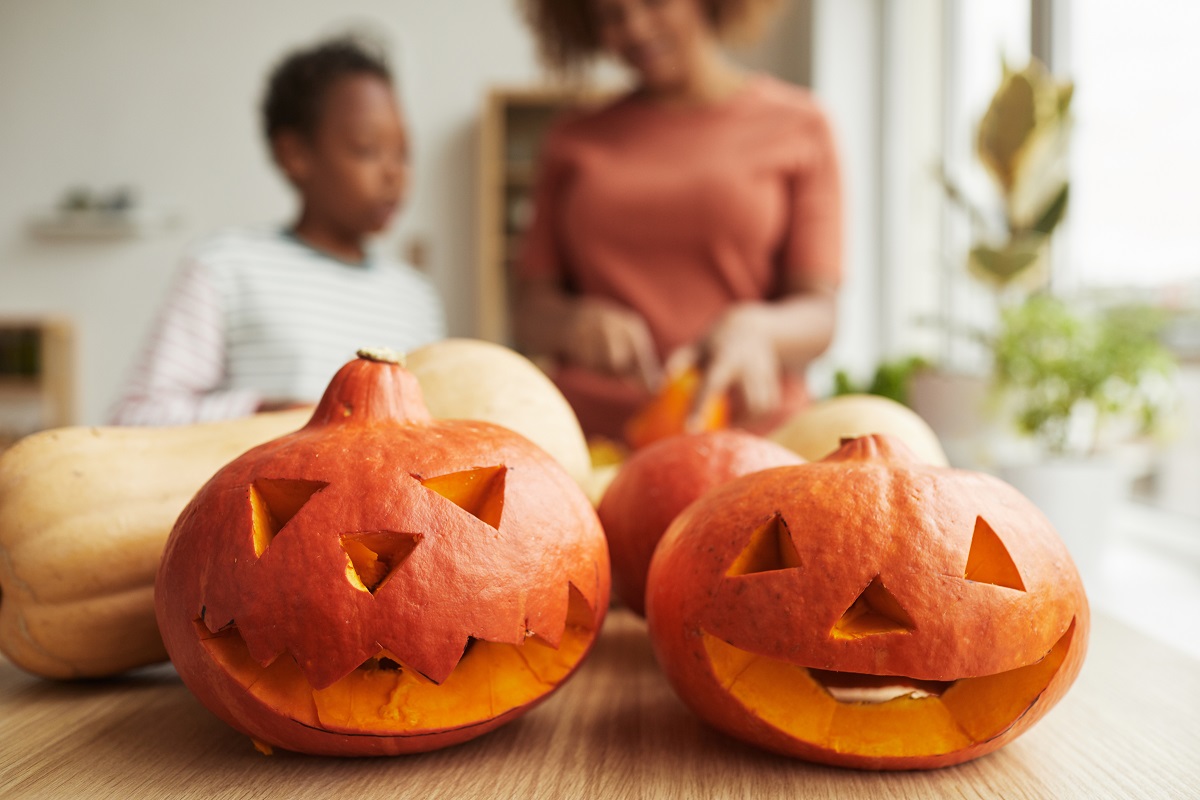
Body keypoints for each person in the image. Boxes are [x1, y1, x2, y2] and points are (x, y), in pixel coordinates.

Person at [515, 0, 842, 441]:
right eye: (610, 15)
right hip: (591, 438)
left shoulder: (801, 125)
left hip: (752, 436)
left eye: (654, 2)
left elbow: (819, 311)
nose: (634, 28)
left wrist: (757, 329)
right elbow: (530, 310)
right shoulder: (572, 138)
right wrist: (573, 325)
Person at [111, 35, 445, 426]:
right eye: (367, 149)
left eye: (403, 153)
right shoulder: (225, 267)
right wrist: (263, 415)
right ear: (295, 154)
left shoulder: (417, 300)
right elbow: (133, 417)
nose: (394, 173)